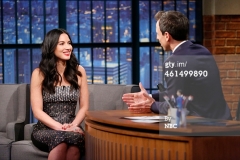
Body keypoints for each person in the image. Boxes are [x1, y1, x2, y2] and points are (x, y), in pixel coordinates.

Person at [122, 11, 232, 120]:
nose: (157, 38)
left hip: (203, 128)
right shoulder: (203, 50)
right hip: (224, 122)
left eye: (157, 33)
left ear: (166, 36)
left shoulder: (174, 62)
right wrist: (150, 97)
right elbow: (179, 92)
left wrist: (151, 105)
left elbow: (174, 106)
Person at [31, 28, 89, 160]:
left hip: (72, 126)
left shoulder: (79, 71)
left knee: (74, 144)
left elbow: (84, 107)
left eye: (69, 43)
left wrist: (73, 126)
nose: (68, 47)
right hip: (45, 128)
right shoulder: (39, 73)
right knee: (61, 141)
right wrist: (61, 128)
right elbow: (37, 111)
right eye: (62, 44)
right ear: (51, 47)